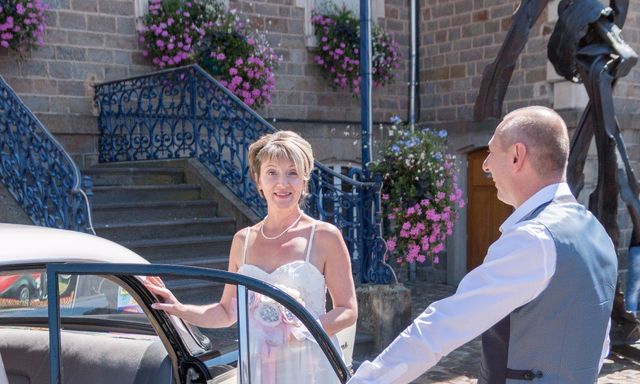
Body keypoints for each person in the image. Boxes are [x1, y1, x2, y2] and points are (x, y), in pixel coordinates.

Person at [349, 106, 617, 384]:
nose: (485, 165)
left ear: (517, 156)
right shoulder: (595, 232)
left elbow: (442, 326)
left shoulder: (532, 240)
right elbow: (599, 342)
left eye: (491, 152)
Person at [148, 130, 357, 383]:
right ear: (258, 180)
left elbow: (347, 310)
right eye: (272, 173)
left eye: (292, 172)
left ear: (304, 179)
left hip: (310, 367)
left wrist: (298, 332)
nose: (282, 183)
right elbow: (226, 312)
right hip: (257, 367)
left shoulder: (324, 236)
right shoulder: (242, 241)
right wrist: (180, 310)